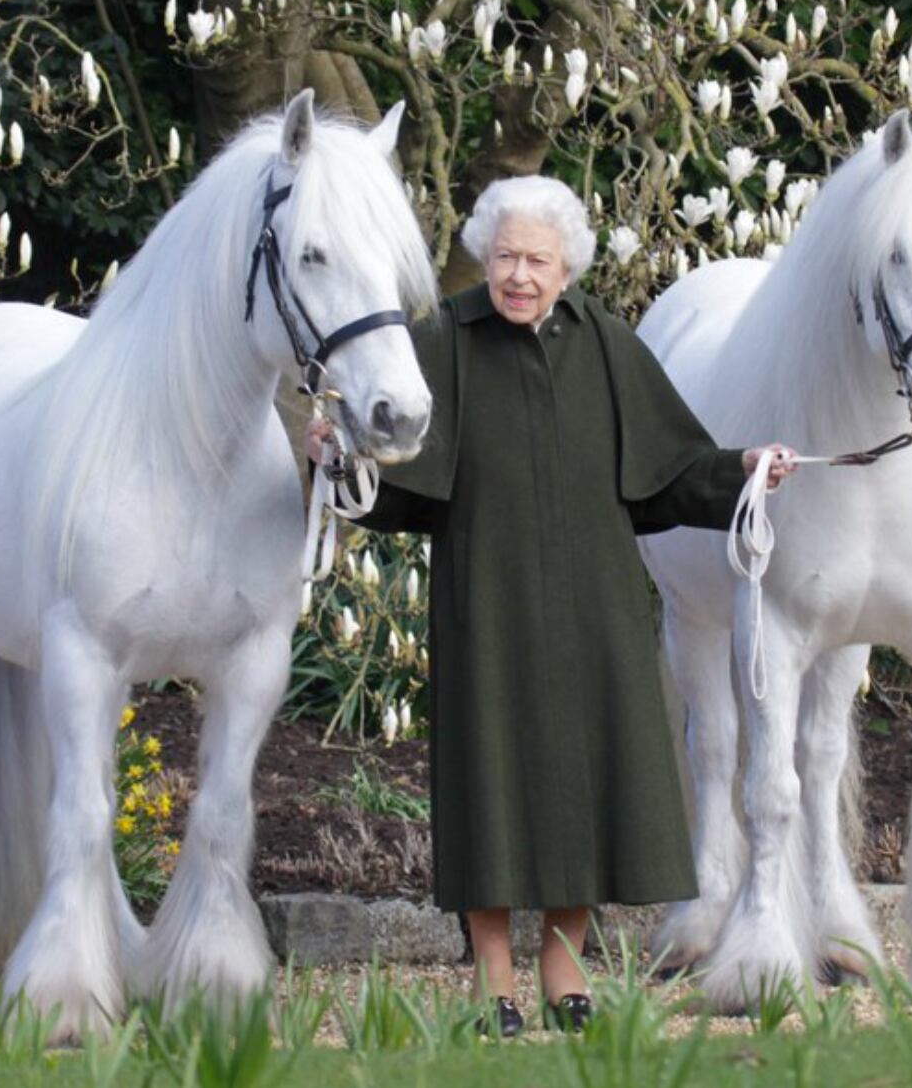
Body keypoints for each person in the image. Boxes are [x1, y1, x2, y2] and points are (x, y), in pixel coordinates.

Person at [306, 175, 795, 1036]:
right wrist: (336, 458)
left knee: (587, 783)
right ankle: (493, 971)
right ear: (483, 261)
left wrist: (748, 467)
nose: (518, 276)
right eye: (503, 258)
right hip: (483, 601)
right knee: (489, 781)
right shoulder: (445, 342)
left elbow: (671, 472)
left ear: (567, 266)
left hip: (595, 608)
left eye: (536, 259)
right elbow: (394, 484)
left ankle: (563, 961)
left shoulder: (606, 343)